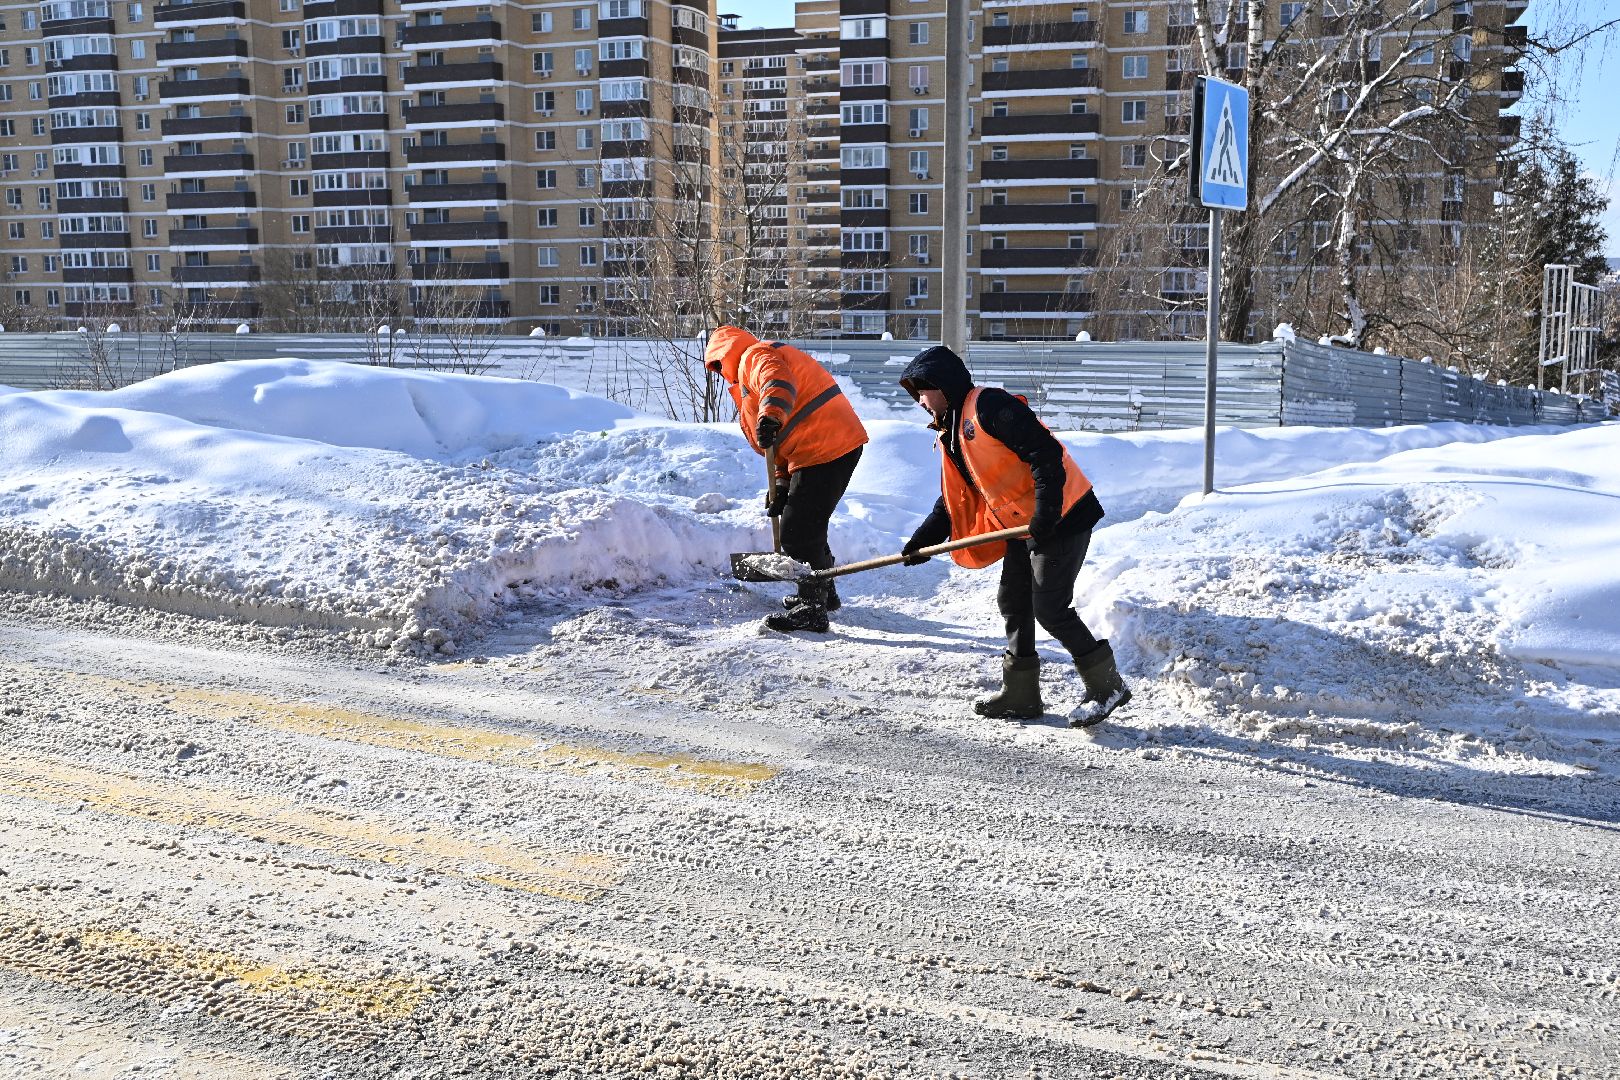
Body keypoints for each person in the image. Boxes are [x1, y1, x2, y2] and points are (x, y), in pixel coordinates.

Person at [897, 345, 1130, 726]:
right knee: (1013, 601)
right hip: (1024, 525)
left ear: (942, 384)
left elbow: (1045, 453)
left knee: (1050, 608)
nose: (920, 401)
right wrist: (923, 541)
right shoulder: (952, 430)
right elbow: (955, 497)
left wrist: (1047, 514)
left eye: (923, 390)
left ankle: (1107, 686)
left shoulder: (989, 405)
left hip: (1064, 516)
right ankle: (1020, 694)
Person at [705, 326, 869, 633]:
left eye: (717, 365)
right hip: (819, 446)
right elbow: (777, 445)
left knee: (798, 530)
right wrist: (781, 485)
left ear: (724, 354)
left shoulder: (753, 356)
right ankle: (824, 592)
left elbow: (777, 384)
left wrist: (770, 414)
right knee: (808, 523)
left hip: (826, 443)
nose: (719, 372)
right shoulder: (746, 377)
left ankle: (812, 608)